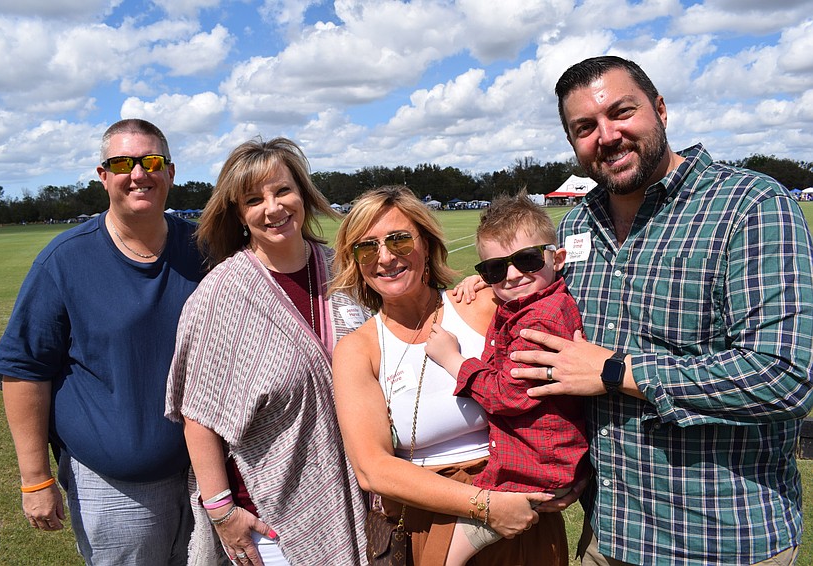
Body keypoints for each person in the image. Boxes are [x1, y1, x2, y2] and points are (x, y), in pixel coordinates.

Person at [506, 55, 813, 565]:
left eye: (621, 112)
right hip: (609, 537)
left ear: (661, 110)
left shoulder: (749, 204)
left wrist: (614, 372)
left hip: (724, 542)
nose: (606, 135)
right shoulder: (577, 226)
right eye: (585, 127)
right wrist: (490, 285)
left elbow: (784, 376)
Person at [0, 118, 203, 564]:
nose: (138, 173)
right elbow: (24, 370)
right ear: (103, 176)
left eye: (152, 161)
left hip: (208, 478)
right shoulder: (65, 260)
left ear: (171, 172)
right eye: (123, 162)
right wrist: (35, 479)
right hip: (115, 489)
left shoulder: (205, 248)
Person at [330, 184, 568, 566]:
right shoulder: (357, 349)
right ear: (355, 261)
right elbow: (372, 469)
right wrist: (487, 507)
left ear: (426, 244)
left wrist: (575, 472)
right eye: (367, 247)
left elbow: (562, 352)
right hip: (438, 522)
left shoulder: (487, 302)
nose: (386, 257)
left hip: (524, 507)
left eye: (400, 240)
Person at [165, 137, 369, 566]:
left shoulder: (346, 271)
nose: (273, 208)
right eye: (254, 199)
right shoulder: (220, 295)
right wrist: (222, 512)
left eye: (282, 190)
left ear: (303, 194)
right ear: (238, 215)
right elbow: (197, 416)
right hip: (271, 523)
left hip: (368, 499)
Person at [425, 191, 588, 565]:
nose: (512, 276)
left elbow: (508, 395)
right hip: (539, 465)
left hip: (534, 472)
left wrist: (453, 361)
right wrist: (480, 281)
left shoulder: (540, 321)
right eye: (496, 268)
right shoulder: (531, 299)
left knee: (445, 557)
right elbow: (513, 283)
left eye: (527, 260)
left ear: (557, 258)